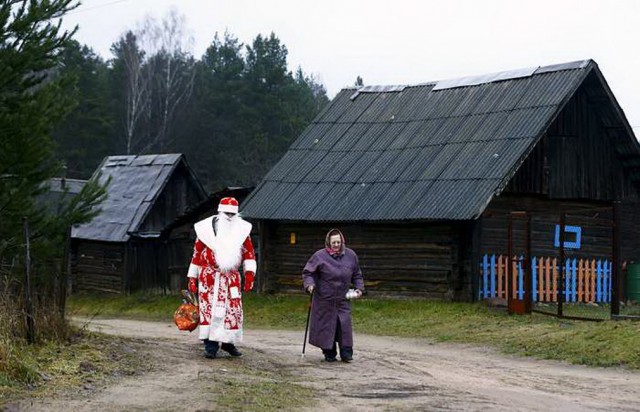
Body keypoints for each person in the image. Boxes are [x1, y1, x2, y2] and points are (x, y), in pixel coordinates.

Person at [186, 197, 256, 359]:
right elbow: (196, 254)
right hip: (209, 278)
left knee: (231, 312)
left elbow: (249, 253)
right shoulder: (205, 230)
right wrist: (192, 277)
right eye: (227, 213)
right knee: (209, 311)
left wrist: (250, 274)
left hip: (230, 279)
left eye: (233, 214)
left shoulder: (242, 231)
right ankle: (210, 345)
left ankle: (228, 342)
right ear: (220, 211)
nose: (230, 217)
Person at [302, 228, 364, 362]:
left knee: (344, 325)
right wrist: (309, 285)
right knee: (327, 325)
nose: (336, 245)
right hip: (325, 298)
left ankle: (346, 352)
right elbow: (308, 273)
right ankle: (329, 352)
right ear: (328, 242)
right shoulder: (319, 256)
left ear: (342, 241)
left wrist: (359, 288)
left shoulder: (351, 255)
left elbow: (357, 274)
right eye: (333, 242)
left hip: (343, 298)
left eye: (338, 242)